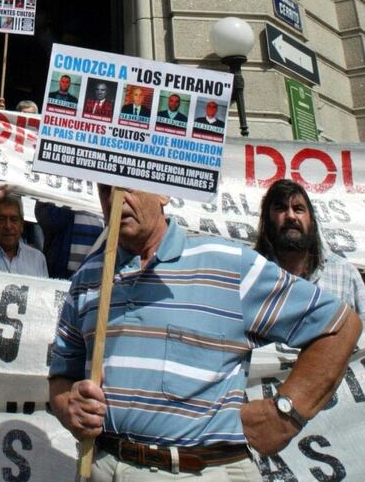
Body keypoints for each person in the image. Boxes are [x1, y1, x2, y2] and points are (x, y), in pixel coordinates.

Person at [49, 184, 361, 481]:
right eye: (106, 189)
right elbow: (63, 374)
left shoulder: (227, 264)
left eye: (128, 186)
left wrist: (285, 414)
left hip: (196, 470)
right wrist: (67, 406)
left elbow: (340, 326)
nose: (116, 199)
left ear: (163, 193)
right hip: (100, 466)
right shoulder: (88, 278)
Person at [256, 179, 365, 319]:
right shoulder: (252, 271)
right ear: (267, 220)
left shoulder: (345, 274)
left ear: (312, 221)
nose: (290, 216)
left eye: (298, 209)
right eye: (281, 208)